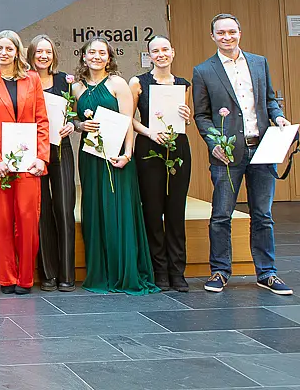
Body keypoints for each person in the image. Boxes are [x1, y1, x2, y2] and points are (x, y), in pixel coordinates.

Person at [194, 13, 293, 295]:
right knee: (221, 215)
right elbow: (202, 115)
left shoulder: (259, 62)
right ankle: (220, 271)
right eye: (221, 33)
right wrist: (214, 142)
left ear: (240, 32)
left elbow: (270, 101)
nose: (227, 37)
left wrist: (280, 117)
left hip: (262, 149)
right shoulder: (203, 71)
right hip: (226, 154)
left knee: (263, 214)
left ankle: (267, 272)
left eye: (232, 32)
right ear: (212, 36)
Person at [73, 37, 159, 295]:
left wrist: (128, 153)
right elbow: (74, 121)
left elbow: (128, 121)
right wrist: (79, 125)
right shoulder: (76, 88)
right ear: (84, 57)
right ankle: (100, 271)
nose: (97, 56)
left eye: (102, 53)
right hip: (89, 156)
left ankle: (123, 271)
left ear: (109, 58)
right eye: (92, 52)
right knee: (95, 210)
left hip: (116, 156)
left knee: (117, 210)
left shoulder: (118, 84)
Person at [0, 31, 49, 295]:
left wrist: (42, 157)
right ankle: (6, 278)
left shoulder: (32, 80)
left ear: (17, 52)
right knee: (4, 221)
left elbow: (42, 120)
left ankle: (26, 278)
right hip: (0, 166)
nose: (4, 53)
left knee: (28, 220)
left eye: (9, 48)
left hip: (29, 163)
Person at [129, 35, 193, 292]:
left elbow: (183, 120)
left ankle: (177, 271)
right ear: (149, 55)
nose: (161, 54)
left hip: (177, 147)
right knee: (153, 211)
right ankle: (159, 270)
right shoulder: (139, 82)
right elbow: (129, 118)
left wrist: (187, 118)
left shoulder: (183, 84)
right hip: (148, 147)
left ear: (173, 52)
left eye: (165, 49)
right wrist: (149, 133)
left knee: (176, 211)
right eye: (155, 51)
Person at [28, 34, 77, 292]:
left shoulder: (65, 81)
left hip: (61, 151)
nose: (43, 56)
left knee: (64, 210)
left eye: (48, 51)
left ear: (53, 55)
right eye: (38, 52)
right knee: (42, 212)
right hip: (34, 153)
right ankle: (48, 273)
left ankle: (67, 273)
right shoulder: (24, 80)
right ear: (31, 55)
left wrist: (74, 124)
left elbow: (80, 114)